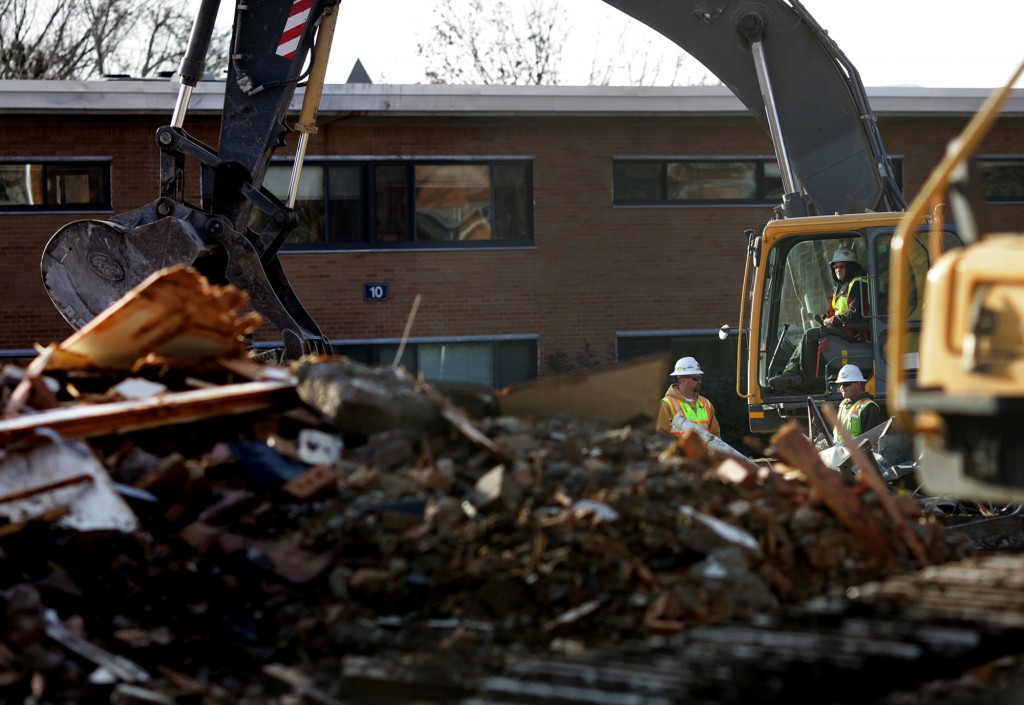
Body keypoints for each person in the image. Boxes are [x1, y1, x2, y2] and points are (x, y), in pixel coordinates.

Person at [767, 247, 870, 393]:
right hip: (843, 329)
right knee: (811, 336)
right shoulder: (840, 288)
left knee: (810, 335)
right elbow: (834, 310)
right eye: (835, 267)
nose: (837, 270)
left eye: (842, 266)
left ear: (851, 267)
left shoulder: (858, 283)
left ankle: (801, 379)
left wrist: (833, 321)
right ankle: (793, 374)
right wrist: (827, 319)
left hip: (855, 332)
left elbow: (856, 315)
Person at [656, 356, 720, 437]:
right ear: (684, 380)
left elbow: (716, 435)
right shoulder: (667, 404)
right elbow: (661, 436)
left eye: (700, 377)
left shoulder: (706, 403)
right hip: (680, 450)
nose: (700, 381)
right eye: (697, 378)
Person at [832, 364, 883, 444]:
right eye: (840, 384)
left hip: (857, 455)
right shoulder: (843, 404)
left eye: (846, 384)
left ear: (858, 384)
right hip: (840, 453)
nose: (842, 387)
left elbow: (871, 441)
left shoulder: (868, 407)